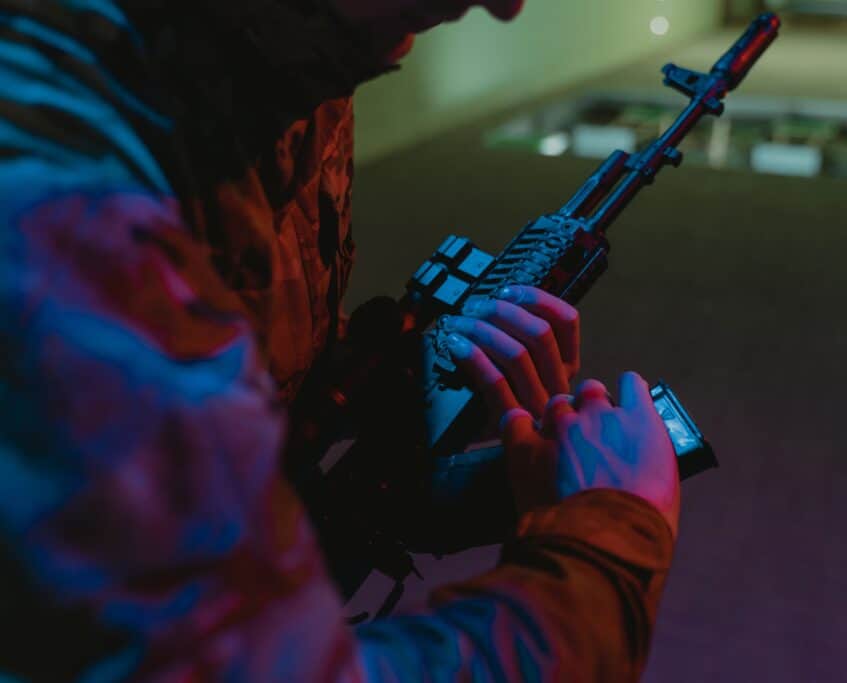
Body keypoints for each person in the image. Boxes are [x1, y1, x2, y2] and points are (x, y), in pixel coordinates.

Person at [0, 1, 681, 680]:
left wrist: (408, 379)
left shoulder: (295, 67)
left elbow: (276, 376)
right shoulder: (59, 189)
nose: (507, 6)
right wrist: (607, 543)